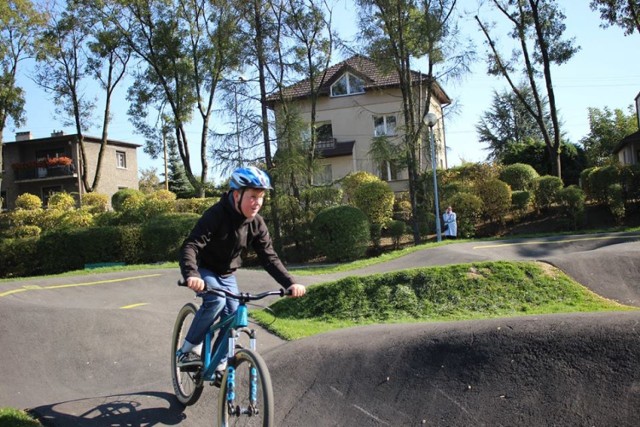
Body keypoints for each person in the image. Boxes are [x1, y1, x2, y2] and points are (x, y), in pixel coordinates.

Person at [177, 166, 306, 376]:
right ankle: (189, 349)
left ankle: (217, 364)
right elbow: (191, 245)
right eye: (253, 196)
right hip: (205, 269)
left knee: (234, 315)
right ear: (237, 194)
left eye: (261, 197)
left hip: (227, 274)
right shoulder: (216, 215)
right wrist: (192, 274)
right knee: (216, 301)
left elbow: (269, 257)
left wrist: (289, 283)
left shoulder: (257, 224)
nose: (257, 203)